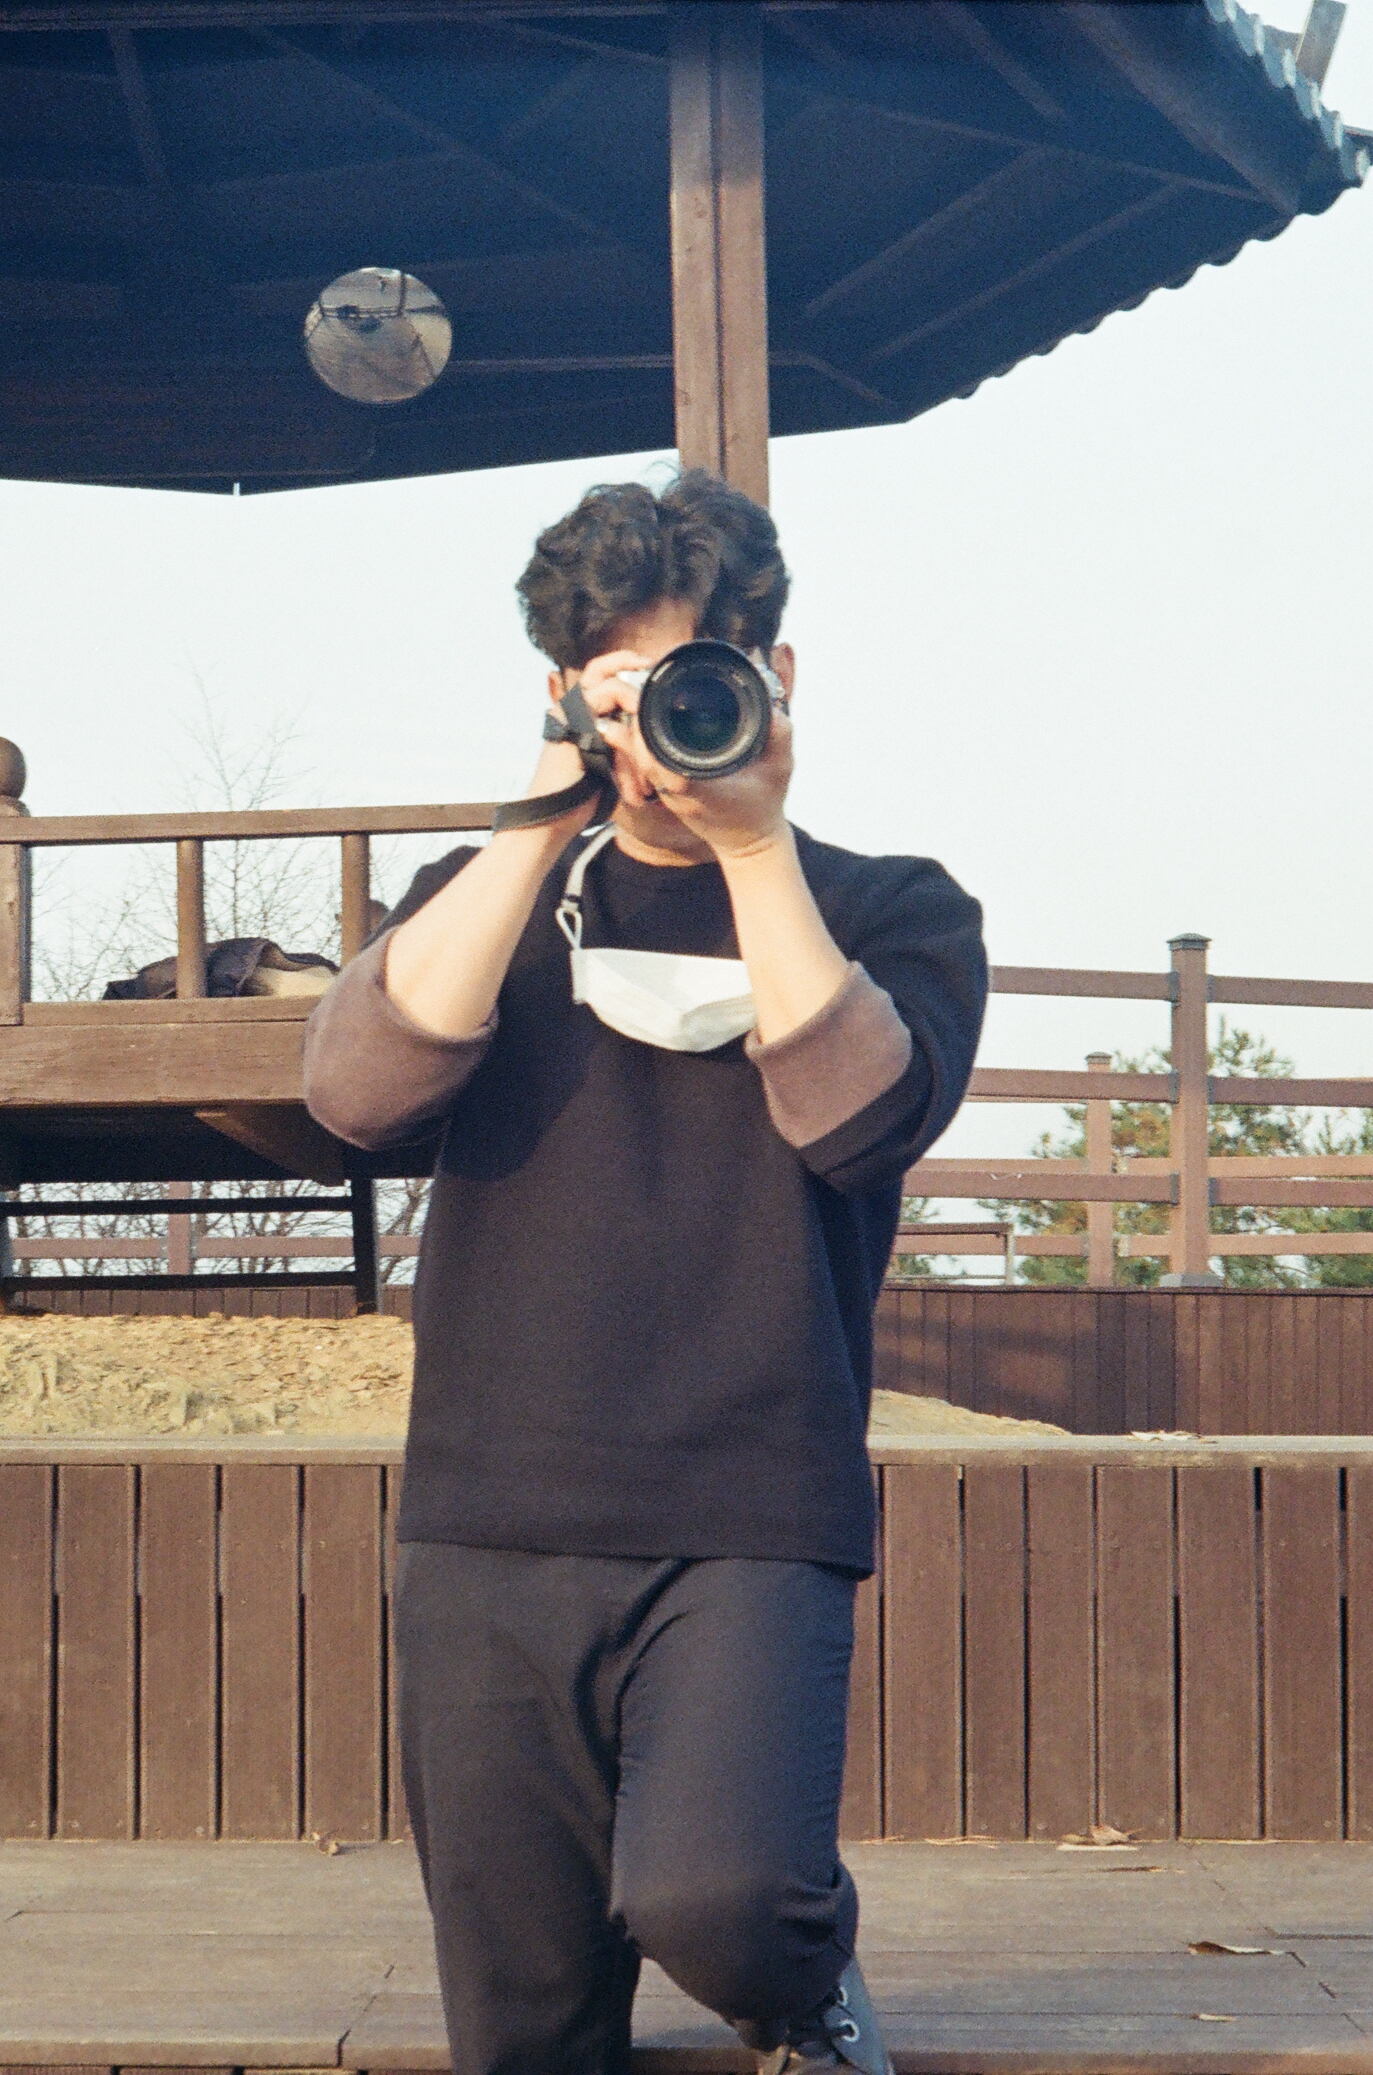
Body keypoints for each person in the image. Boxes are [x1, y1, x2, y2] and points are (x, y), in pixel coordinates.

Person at [303, 471, 987, 2075]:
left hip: (748, 1508)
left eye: (700, 679)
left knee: (723, 1898)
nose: (666, 727)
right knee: (526, 2032)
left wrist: (751, 844)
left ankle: (805, 1986)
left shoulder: (890, 909)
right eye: (622, 689)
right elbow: (358, 1096)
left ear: (775, 675)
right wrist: (541, 810)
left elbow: (857, 1122)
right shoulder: (480, 907)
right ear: (563, 691)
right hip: (489, 1515)